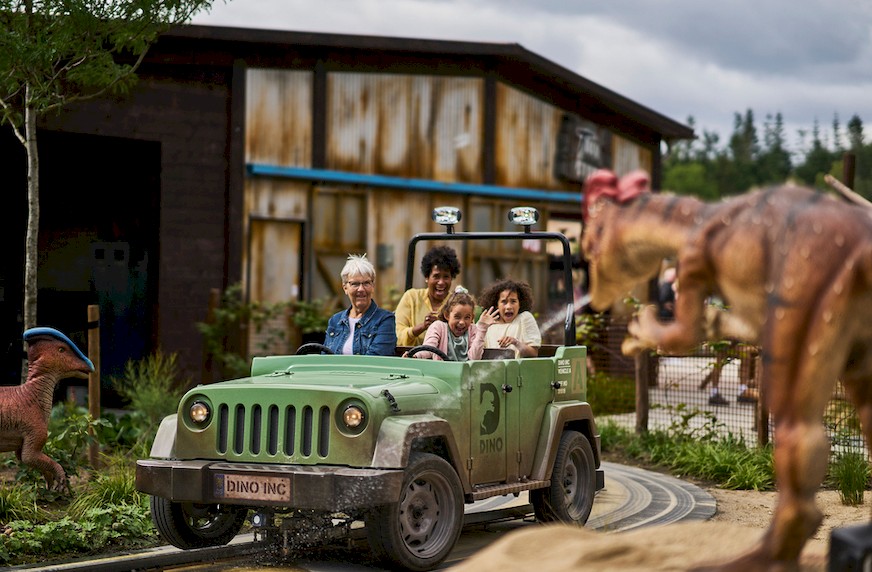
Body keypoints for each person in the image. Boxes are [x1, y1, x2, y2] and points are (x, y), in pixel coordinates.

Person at [324, 254, 397, 355]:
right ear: (345, 288)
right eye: (355, 284)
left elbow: (377, 359)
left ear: (373, 286)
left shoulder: (384, 320)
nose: (361, 289)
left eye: (366, 283)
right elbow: (325, 358)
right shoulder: (335, 321)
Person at [394, 246, 462, 347]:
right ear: (427, 277)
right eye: (436, 276)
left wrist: (443, 327)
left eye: (446, 277)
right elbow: (397, 336)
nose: (441, 282)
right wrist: (423, 326)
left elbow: (468, 337)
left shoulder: (459, 302)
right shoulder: (411, 297)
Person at [407, 287, 499, 361]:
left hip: (465, 377)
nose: (462, 322)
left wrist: (482, 329)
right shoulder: (438, 327)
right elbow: (429, 348)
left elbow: (474, 358)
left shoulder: (473, 330)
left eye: (467, 317)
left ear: (472, 318)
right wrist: (415, 356)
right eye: (457, 317)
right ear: (447, 315)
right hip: (442, 375)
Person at [478, 278, 541, 358]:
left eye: (513, 301)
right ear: (497, 305)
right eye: (504, 302)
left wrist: (515, 343)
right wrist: (481, 327)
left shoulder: (524, 318)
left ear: (519, 304)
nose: (508, 307)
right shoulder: (489, 324)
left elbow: (533, 353)